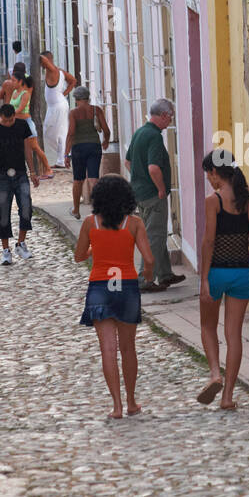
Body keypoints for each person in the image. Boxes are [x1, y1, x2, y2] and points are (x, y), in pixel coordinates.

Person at [74, 175, 155, 419]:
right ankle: (131, 402)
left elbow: (79, 256)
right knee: (128, 348)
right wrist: (149, 277)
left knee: (108, 350)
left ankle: (117, 406)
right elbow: (149, 260)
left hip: (100, 287)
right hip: (126, 287)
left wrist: (94, 248)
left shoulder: (91, 223)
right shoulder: (134, 223)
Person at [197, 150, 249, 409]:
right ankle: (228, 397)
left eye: (208, 175)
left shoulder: (213, 200)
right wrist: (240, 243)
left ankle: (215, 374)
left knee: (207, 327)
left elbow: (209, 240)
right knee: (234, 334)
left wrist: (203, 279)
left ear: (214, 173)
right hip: (242, 273)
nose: (209, 180)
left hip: (217, 272)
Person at [125, 98, 182, 292]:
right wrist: (160, 188)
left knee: (157, 234)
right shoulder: (154, 137)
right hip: (152, 195)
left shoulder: (140, 132)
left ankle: (165, 274)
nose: (170, 121)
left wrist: (138, 178)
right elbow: (154, 168)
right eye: (170, 117)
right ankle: (144, 279)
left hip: (139, 192)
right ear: (164, 115)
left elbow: (128, 162)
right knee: (154, 237)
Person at [0, 104, 39, 265]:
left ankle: (21, 243)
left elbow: (28, 150)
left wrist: (32, 172)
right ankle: (6, 250)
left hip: (20, 174)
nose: (8, 123)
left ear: (15, 116)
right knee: (2, 212)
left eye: (11, 120)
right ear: (0, 117)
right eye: (5, 121)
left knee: (26, 208)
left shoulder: (22, 126)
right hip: (2, 177)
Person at [66, 86, 110, 219]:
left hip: (78, 148)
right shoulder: (97, 110)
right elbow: (106, 130)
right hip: (94, 146)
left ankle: (76, 210)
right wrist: (106, 141)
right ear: (88, 97)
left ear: (77, 99)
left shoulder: (74, 113)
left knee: (78, 180)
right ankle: (97, 211)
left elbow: (71, 133)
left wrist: (66, 153)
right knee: (93, 178)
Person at [10, 73, 52, 179]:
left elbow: (20, 108)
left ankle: (48, 169)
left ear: (20, 81)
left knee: (35, 147)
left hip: (26, 123)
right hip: (16, 124)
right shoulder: (14, 92)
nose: (12, 82)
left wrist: (8, 114)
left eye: (14, 80)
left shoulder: (25, 94)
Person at [39, 51, 77, 168]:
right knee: (51, 133)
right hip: (54, 106)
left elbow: (73, 81)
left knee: (57, 133)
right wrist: (64, 94)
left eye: (41, 62)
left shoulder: (53, 70)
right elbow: (73, 80)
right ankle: (64, 155)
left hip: (58, 107)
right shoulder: (58, 71)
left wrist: (37, 54)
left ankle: (64, 157)